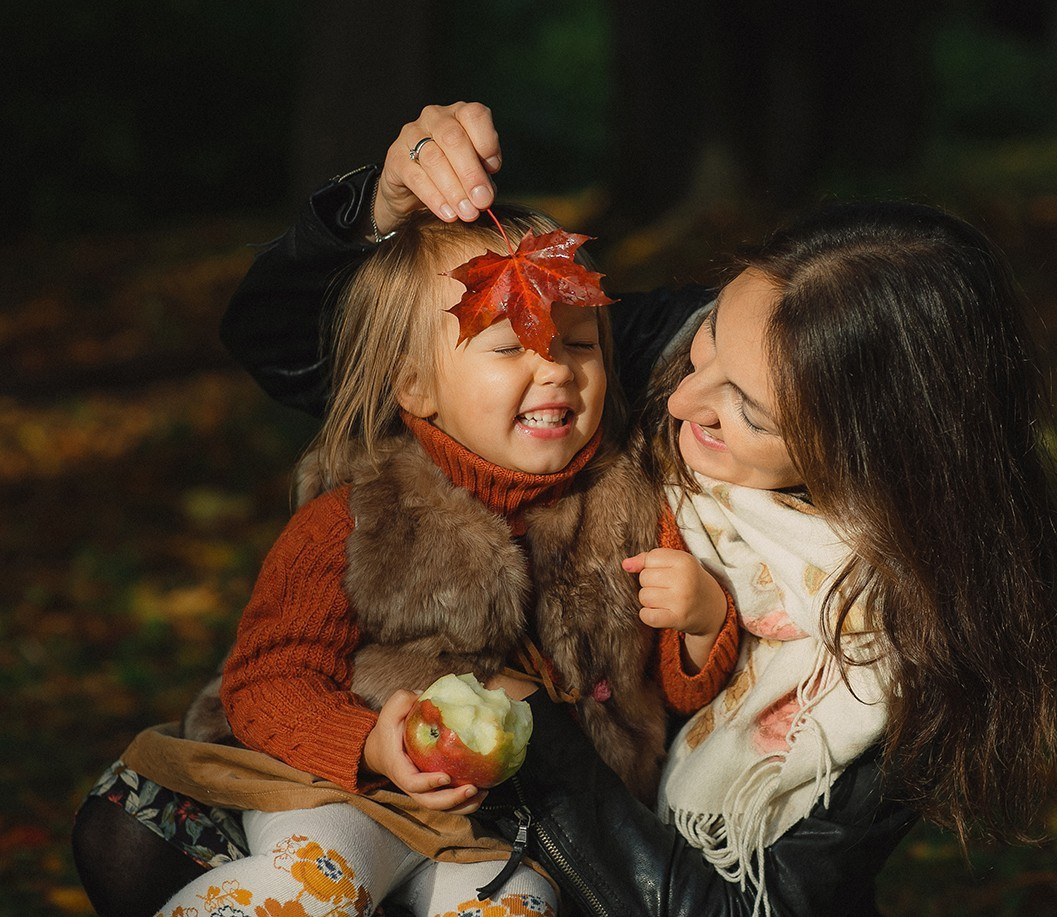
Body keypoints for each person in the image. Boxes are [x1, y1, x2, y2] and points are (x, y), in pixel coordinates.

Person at [76, 102, 1057, 915]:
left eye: (744, 412)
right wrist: (378, 210)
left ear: (871, 459)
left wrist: (529, 723)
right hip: (426, 793)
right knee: (143, 835)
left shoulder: (908, 647)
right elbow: (319, 349)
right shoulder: (624, 361)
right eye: (702, 348)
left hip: (615, 865)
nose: (677, 399)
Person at [113, 203, 740, 917]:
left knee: (515, 908)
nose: (555, 370)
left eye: (578, 343)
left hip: (511, 838)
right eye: (509, 347)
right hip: (356, 795)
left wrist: (701, 620)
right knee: (318, 880)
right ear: (416, 386)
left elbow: (671, 692)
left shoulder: (631, 504)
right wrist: (369, 744)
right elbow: (267, 676)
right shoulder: (360, 514)